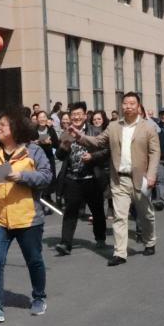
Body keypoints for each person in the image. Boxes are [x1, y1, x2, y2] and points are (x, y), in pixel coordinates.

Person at [0, 110, 53, 322]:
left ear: (15, 128)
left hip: (27, 217)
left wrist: (20, 176)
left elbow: (46, 176)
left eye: (3, 125)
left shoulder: (33, 151)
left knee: (34, 260)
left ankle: (39, 297)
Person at [71, 92, 160, 266]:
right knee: (120, 217)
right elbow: (97, 141)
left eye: (132, 103)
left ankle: (150, 241)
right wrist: (79, 136)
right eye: (125, 103)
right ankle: (120, 253)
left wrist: (151, 174)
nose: (128, 106)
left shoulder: (148, 127)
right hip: (119, 179)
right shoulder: (113, 126)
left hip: (141, 178)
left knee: (146, 215)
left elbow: (154, 152)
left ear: (138, 106)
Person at [55, 102, 109, 255]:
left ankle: (100, 237)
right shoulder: (66, 133)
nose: (76, 117)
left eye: (79, 114)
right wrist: (65, 145)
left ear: (85, 116)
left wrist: (92, 156)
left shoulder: (96, 131)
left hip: (92, 177)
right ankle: (65, 243)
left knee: (97, 210)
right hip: (72, 178)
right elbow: (59, 156)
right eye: (73, 115)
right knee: (70, 212)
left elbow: (106, 152)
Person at [33, 111, 60, 201]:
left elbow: (57, 144)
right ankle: (39, 197)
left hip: (48, 158)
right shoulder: (33, 131)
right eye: (40, 117)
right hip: (36, 159)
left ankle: (47, 197)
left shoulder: (51, 130)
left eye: (44, 117)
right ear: (37, 119)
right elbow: (28, 143)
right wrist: (37, 142)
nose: (42, 119)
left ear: (47, 119)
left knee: (49, 178)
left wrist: (51, 143)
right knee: (38, 179)